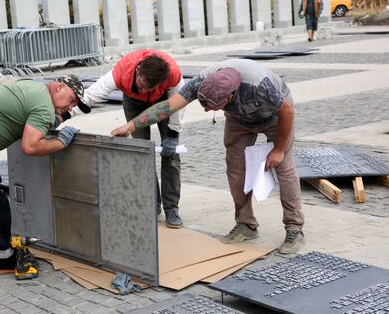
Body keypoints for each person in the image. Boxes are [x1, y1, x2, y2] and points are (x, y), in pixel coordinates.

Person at [111, 59, 305, 254]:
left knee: (284, 168)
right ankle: (246, 224)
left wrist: (278, 150)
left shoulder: (259, 85)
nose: (205, 109)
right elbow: (168, 107)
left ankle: (294, 229)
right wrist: (130, 126)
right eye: (203, 103)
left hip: (276, 118)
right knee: (235, 167)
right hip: (239, 120)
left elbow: (287, 111)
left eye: (211, 106)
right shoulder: (201, 81)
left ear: (230, 96)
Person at [0, 75, 90, 274]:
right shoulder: (44, 106)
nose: (71, 107)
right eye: (72, 100)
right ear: (59, 87)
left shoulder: (34, 88)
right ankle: (3, 262)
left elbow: (30, 120)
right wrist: (61, 143)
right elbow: (30, 146)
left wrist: (58, 119)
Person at [71, 49, 186, 228]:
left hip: (165, 102)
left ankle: (172, 208)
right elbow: (91, 96)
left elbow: (179, 103)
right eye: (141, 85)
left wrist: (173, 133)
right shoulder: (122, 69)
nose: (143, 90)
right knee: (142, 152)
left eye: (148, 88)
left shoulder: (173, 75)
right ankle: (152, 205)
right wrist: (65, 114)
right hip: (134, 103)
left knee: (170, 156)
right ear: (138, 70)